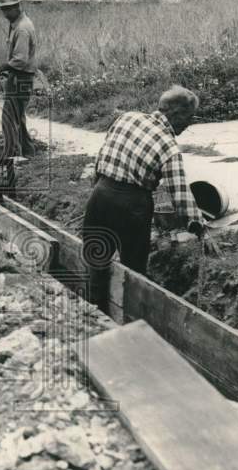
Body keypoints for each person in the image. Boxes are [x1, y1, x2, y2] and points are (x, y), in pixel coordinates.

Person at [82, 86, 209, 316]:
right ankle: (133, 322)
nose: (190, 124)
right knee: (134, 271)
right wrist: (200, 228)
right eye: (190, 117)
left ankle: (94, 318)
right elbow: (180, 193)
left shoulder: (127, 118)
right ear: (177, 115)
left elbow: (102, 158)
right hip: (131, 208)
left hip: (100, 196)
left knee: (95, 263)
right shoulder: (169, 147)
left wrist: (97, 191)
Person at [0, 0, 36, 159]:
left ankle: (12, 157)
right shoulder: (18, 24)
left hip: (20, 77)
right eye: (3, 9)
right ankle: (28, 150)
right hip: (19, 77)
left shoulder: (22, 29)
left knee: (9, 118)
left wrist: (0, 68)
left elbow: (20, 60)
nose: (4, 13)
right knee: (17, 116)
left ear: (16, 7)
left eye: (7, 9)